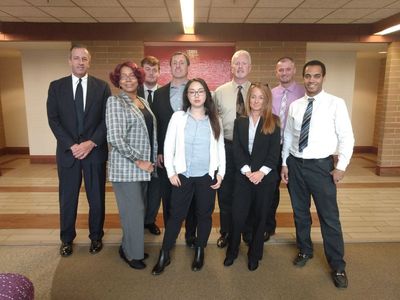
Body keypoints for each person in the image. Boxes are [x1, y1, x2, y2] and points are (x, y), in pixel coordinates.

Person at [281, 60, 354, 289]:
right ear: (303, 78)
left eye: (316, 76)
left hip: (321, 168)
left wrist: (341, 166)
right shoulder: (296, 105)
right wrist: (284, 163)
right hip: (295, 165)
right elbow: (290, 137)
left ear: (323, 78)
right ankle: (305, 250)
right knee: (300, 214)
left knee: (329, 218)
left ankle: (338, 265)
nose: (311, 80)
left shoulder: (336, 104)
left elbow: (347, 137)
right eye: (308, 76)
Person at [152, 78, 225, 275]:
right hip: (182, 175)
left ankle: (200, 250)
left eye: (200, 91)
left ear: (206, 95)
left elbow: (220, 148)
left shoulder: (214, 119)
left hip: (206, 176)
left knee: (204, 215)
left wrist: (220, 173)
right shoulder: (178, 117)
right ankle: (165, 253)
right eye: (192, 92)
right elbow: (168, 146)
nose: (196, 95)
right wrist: (171, 172)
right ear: (187, 96)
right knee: (176, 216)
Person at [47, 44, 111, 257]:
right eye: (76, 58)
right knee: (67, 198)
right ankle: (66, 239)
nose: (80, 62)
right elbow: (54, 120)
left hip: (94, 152)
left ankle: (96, 237)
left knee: (96, 198)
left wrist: (91, 142)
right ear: (70, 61)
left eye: (84, 59)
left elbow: (106, 120)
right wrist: (72, 145)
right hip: (68, 154)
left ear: (89, 62)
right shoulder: (56, 87)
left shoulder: (101, 87)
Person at [106, 61, 157, 269]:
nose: (128, 79)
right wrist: (140, 161)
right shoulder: (115, 102)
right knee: (134, 211)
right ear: (117, 80)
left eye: (132, 75)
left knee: (136, 211)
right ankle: (131, 254)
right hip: (127, 168)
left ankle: (129, 245)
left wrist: (152, 160)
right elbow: (115, 138)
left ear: (139, 78)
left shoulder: (143, 102)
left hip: (144, 169)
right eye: (123, 76)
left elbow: (150, 133)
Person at [223, 83, 280, 271]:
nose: (256, 101)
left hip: (264, 179)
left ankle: (254, 254)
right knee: (237, 216)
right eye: (253, 96)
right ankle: (232, 252)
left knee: (259, 217)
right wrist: (247, 171)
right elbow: (237, 149)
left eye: (260, 97)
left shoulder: (274, 121)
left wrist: (260, 172)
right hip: (243, 176)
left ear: (266, 100)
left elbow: (274, 153)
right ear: (248, 99)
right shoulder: (240, 121)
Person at [151, 51, 197, 247]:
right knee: (168, 196)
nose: (178, 66)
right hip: (166, 157)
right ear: (170, 67)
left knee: (193, 198)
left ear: (188, 67)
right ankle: (171, 236)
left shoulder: (197, 91)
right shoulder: (159, 93)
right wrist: (159, 151)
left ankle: (191, 235)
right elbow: (156, 125)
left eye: (182, 63)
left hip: (193, 156)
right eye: (174, 63)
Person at [214, 50, 252, 248]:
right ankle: (226, 232)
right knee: (226, 192)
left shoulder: (256, 91)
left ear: (249, 67)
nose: (240, 67)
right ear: (231, 67)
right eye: (236, 63)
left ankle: (246, 231)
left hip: (249, 150)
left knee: (247, 191)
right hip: (227, 147)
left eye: (244, 63)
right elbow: (212, 121)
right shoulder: (219, 92)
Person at [265, 57, 305, 241]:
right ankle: (268, 227)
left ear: (294, 70)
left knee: (297, 193)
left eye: (288, 69)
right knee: (271, 190)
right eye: (281, 70)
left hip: (295, 150)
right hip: (274, 147)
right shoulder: (271, 94)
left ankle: (302, 236)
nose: (284, 73)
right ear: (276, 72)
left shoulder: (304, 93)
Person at [138, 55, 162, 236]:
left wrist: (161, 151)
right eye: (147, 69)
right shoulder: (133, 93)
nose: (151, 73)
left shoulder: (163, 94)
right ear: (141, 71)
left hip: (159, 153)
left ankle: (150, 221)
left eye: (154, 69)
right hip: (138, 153)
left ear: (159, 72)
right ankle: (136, 221)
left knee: (155, 190)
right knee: (138, 191)